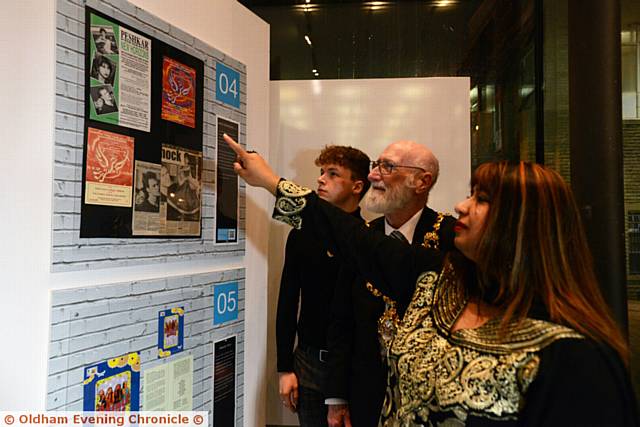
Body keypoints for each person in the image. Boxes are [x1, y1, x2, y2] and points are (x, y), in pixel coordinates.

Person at [224, 134, 638, 426]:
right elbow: (347, 238)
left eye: (481, 199)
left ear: (524, 227)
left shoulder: (575, 358)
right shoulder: (439, 278)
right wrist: (271, 183)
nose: (461, 204)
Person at [324, 141, 456, 427]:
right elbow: (341, 320)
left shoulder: (450, 238)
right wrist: (336, 398)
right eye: (376, 165)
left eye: (388, 167)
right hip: (365, 395)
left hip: (428, 399)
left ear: (422, 181)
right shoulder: (361, 239)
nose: (373, 175)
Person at [277, 145, 371, 426]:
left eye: (332, 174)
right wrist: (284, 368)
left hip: (356, 366)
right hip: (308, 362)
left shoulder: (371, 240)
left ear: (357, 186)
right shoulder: (301, 235)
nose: (320, 179)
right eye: (321, 172)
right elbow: (287, 300)